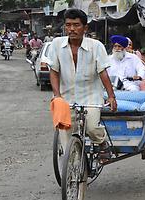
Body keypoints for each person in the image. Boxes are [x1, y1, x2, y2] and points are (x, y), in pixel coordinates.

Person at [44, 8, 117, 160]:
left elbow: (103, 72)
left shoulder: (96, 46)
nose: (72, 29)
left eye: (76, 25)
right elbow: (54, 72)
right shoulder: (56, 44)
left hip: (91, 96)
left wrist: (111, 96)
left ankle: (102, 143)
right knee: (65, 135)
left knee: (91, 127)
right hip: (65, 98)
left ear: (85, 28)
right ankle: (73, 168)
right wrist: (57, 96)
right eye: (68, 25)